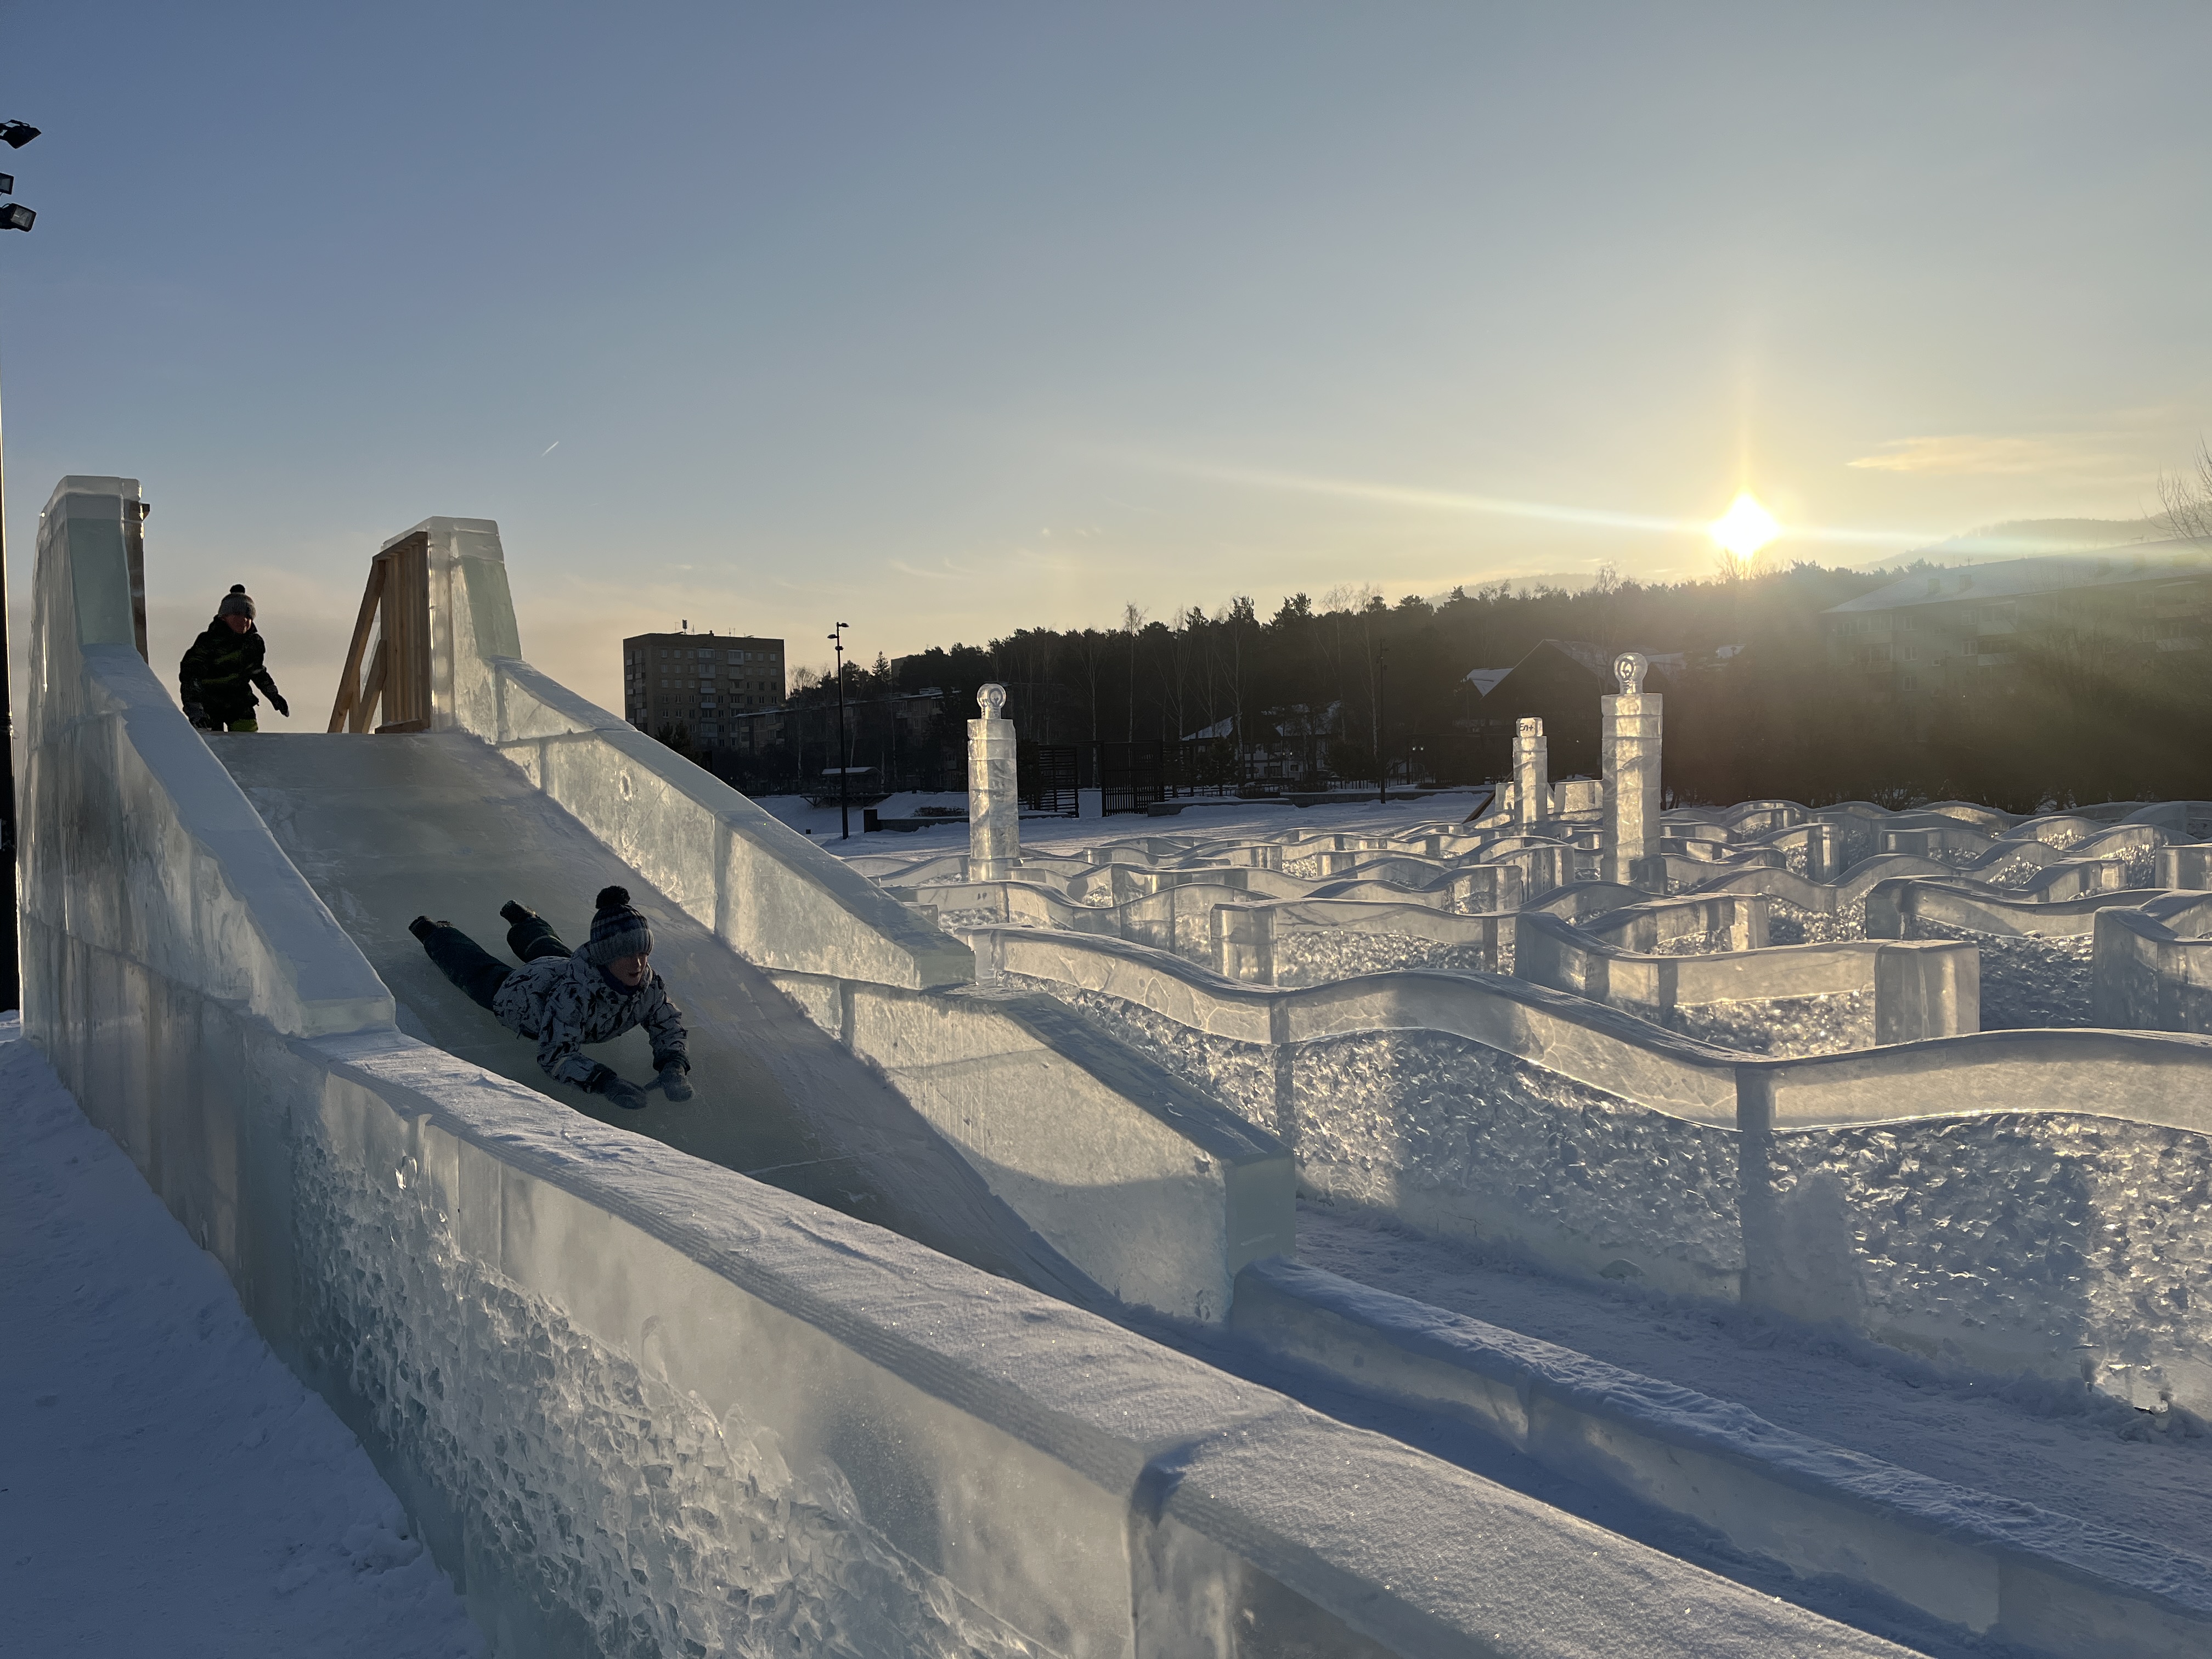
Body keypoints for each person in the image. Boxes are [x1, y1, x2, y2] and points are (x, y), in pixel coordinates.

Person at [409, 886, 692, 1111]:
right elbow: (555, 1054)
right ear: (605, 957)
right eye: (627, 955)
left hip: (559, 966)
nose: (638, 964)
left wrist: (673, 1065)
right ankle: (438, 935)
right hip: (525, 997)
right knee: (480, 972)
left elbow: (667, 1023)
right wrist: (606, 1083)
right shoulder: (574, 996)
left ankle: (525, 921)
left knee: (548, 947)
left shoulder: (648, 984)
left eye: (643, 954)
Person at [178, 584, 290, 732]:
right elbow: (190, 676)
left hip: (239, 701)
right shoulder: (208, 642)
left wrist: (274, 696)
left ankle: (247, 755)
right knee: (211, 744)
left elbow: (257, 672)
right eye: (237, 615)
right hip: (209, 701)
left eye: (248, 617)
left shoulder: (254, 643)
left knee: (247, 740)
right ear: (224, 617)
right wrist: (195, 710)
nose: (244, 620)